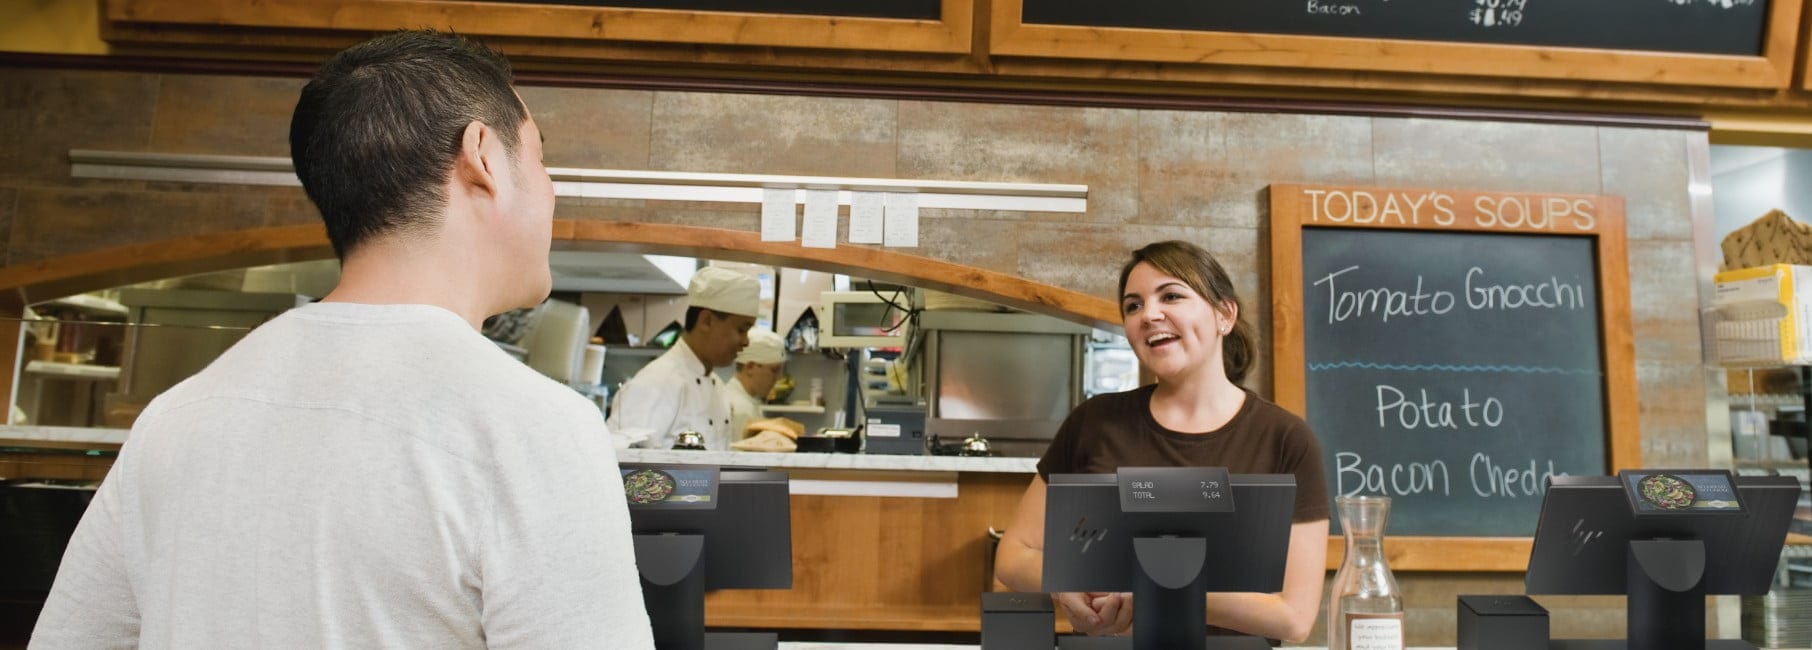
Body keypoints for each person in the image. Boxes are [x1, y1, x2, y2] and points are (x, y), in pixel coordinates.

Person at [30, 30, 654, 649]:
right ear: (483, 157)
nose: (550, 189)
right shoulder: (536, 431)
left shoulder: (174, 420)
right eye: (540, 158)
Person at [992, 240, 1330, 643]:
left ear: (1225, 314)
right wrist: (1069, 584)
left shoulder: (1286, 439)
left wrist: (1155, 591)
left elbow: (1293, 618)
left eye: (1171, 295)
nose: (1149, 314)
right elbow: (1013, 556)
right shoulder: (1094, 421)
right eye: (1133, 306)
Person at [608, 266, 759, 451]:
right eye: (741, 329)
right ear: (706, 321)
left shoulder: (718, 386)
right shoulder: (658, 382)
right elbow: (628, 467)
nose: (746, 341)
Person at [720, 328, 787, 441]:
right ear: (750, 367)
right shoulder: (739, 409)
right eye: (774, 370)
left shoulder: (748, 401)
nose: (779, 378)